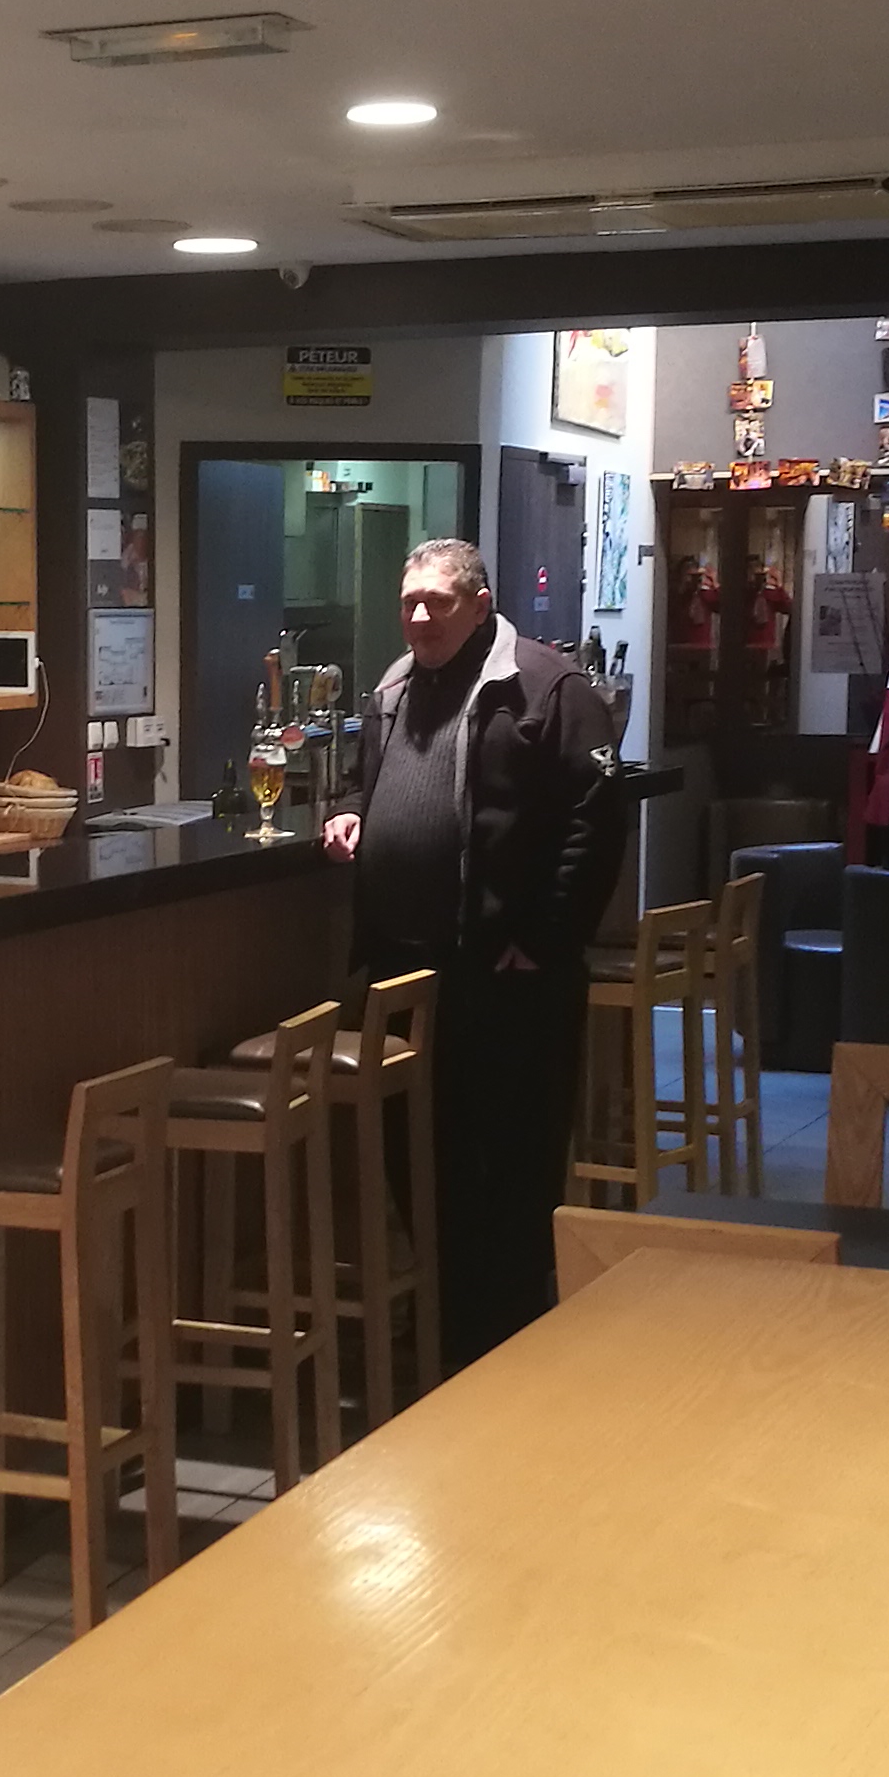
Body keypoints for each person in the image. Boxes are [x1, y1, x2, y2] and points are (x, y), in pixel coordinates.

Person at [318, 538, 632, 1365]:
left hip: (506, 973)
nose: (420, 616)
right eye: (409, 601)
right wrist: (350, 809)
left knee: (511, 1169)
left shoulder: (547, 687)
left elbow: (596, 821)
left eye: (439, 601)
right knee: (421, 1162)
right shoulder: (394, 687)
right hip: (404, 974)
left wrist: (544, 939)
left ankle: (515, 1347)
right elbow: (366, 777)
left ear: (482, 604)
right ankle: (450, 1336)